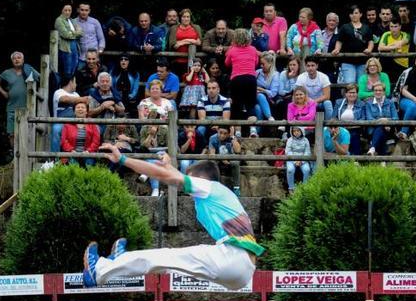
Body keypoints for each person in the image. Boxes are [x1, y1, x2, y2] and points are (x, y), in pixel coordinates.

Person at [83, 146, 263, 290]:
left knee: (164, 257)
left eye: (189, 181)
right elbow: (173, 175)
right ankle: (121, 261)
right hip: (244, 272)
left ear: (201, 179)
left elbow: (169, 178)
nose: (188, 192)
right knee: (167, 264)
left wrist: (123, 159)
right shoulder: (222, 196)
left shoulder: (209, 187)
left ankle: (99, 270)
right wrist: (168, 166)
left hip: (233, 257)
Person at [0, 51, 37, 146]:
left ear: (23, 60)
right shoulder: (7, 72)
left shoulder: (29, 70)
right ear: (12, 61)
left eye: (19, 57)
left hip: (27, 107)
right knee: (12, 134)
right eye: (14, 58)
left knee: (26, 133)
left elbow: (41, 78)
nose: (16, 60)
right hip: (11, 108)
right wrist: (4, 92)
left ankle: (25, 155)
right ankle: (15, 157)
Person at [334, 5, 374, 84]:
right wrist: (337, 49)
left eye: (356, 13)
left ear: (360, 14)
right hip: (347, 61)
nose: (354, 15)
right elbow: (339, 41)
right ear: (349, 15)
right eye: (352, 13)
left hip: (362, 61)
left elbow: (370, 41)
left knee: (361, 84)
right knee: (350, 83)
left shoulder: (366, 27)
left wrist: (369, 49)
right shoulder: (345, 27)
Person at [50, 76, 89, 152]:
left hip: (74, 123)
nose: (76, 85)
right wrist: (81, 99)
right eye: (75, 82)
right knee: (56, 129)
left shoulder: (76, 94)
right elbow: (64, 99)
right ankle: (54, 159)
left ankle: (79, 157)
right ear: (71, 82)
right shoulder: (59, 92)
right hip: (60, 122)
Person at [362, 82, 399, 156]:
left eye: (380, 90)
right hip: (372, 130)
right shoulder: (368, 103)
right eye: (375, 90)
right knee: (381, 129)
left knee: (381, 130)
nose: (378, 92)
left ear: (384, 92)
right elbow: (369, 119)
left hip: (389, 130)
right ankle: (383, 161)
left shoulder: (390, 102)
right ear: (373, 92)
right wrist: (383, 121)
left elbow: (396, 118)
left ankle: (373, 148)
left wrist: (387, 121)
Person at [167, 9, 202, 76]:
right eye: (184, 17)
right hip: (177, 61)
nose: (186, 19)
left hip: (193, 61)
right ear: (180, 18)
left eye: (188, 17)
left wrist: (183, 42)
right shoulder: (174, 28)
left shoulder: (196, 27)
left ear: (190, 18)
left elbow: (199, 42)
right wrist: (192, 41)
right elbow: (174, 45)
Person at [333, 84, 366, 155]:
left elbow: (363, 119)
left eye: (354, 92)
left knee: (353, 134)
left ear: (357, 94)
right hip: (340, 128)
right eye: (349, 92)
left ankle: (355, 159)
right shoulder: (339, 102)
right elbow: (334, 117)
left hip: (355, 128)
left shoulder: (362, 104)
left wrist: (352, 125)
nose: (351, 95)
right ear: (346, 94)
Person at [54, 0, 82, 79]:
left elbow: (81, 33)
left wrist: (72, 33)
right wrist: (76, 33)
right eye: (65, 10)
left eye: (69, 10)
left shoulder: (72, 20)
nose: (67, 12)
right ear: (61, 10)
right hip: (66, 49)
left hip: (75, 48)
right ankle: (64, 88)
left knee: (74, 68)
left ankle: (71, 88)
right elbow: (66, 35)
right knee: (67, 71)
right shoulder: (59, 20)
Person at [378, 18, 410, 82]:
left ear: (400, 27)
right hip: (390, 62)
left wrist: (387, 46)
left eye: (395, 26)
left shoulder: (405, 35)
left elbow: (400, 43)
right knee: (383, 59)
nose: (393, 29)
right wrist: (393, 46)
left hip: (402, 63)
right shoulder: (386, 34)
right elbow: (380, 48)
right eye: (391, 26)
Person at [284, 126, 312, 193]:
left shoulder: (306, 140)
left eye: (298, 131)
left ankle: (305, 187)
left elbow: (307, 152)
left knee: (307, 169)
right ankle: (291, 187)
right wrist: (295, 161)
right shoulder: (290, 140)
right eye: (294, 131)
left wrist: (301, 161)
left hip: (303, 158)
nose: (296, 132)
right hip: (291, 159)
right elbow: (288, 151)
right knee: (290, 170)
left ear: (301, 131)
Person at [255, 52, 280, 124]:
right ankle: (269, 117)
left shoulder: (275, 74)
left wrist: (261, 89)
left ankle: (269, 117)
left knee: (258, 107)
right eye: (261, 64)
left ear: (270, 64)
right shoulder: (257, 73)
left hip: (269, 100)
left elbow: (273, 93)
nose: (261, 66)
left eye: (263, 64)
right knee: (258, 102)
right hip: (255, 96)